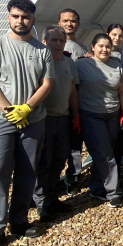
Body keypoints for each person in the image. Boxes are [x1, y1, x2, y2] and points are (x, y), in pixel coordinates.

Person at [0, 0, 54, 246]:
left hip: (32, 120)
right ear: (8, 17)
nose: (20, 21)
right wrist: (10, 110)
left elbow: (46, 84)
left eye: (25, 17)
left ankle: (18, 221)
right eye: (16, 16)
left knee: (27, 171)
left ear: (33, 19)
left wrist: (27, 108)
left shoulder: (41, 50)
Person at [33, 26, 79, 222]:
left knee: (59, 160)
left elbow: (72, 91)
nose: (58, 44)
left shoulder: (69, 62)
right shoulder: (41, 62)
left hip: (64, 117)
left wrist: (75, 115)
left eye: (61, 40)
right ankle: (41, 203)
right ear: (45, 42)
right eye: (54, 40)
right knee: (44, 161)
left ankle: (52, 198)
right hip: (45, 118)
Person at [76, 33, 123, 208]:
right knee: (105, 154)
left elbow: (121, 90)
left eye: (107, 46)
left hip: (112, 114)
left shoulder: (116, 65)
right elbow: (72, 90)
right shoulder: (82, 64)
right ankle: (113, 192)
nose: (104, 49)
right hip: (91, 114)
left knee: (107, 152)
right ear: (93, 47)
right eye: (100, 46)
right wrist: (75, 114)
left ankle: (97, 188)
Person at [59, 8, 87, 189]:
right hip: (59, 104)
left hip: (78, 102)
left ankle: (73, 176)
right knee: (58, 145)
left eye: (73, 21)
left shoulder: (82, 47)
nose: (70, 24)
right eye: (66, 20)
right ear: (59, 22)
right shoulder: (54, 46)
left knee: (76, 143)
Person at [107, 23, 123, 165]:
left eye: (120, 36)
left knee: (120, 137)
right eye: (114, 34)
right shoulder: (100, 53)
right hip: (106, 101)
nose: (117, 38)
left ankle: (116, 167)